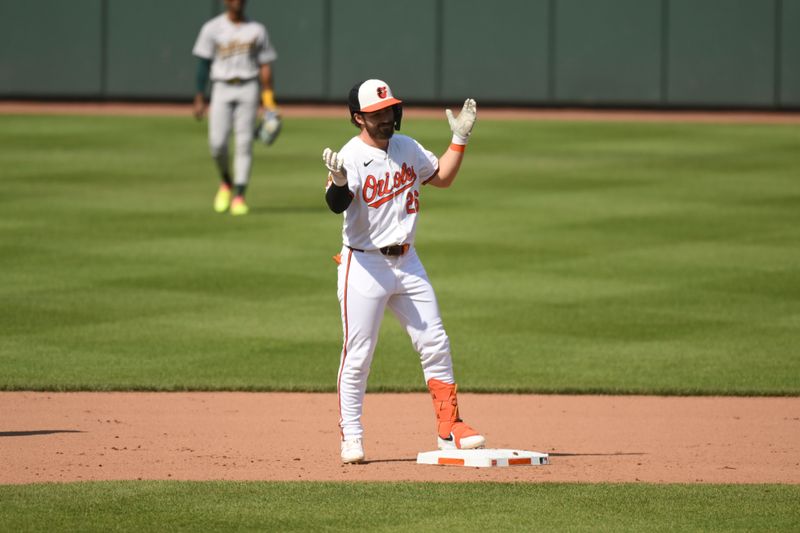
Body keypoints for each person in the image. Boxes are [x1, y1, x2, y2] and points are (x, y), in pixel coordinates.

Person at [322, 79, 484, 463]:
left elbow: (441, 176)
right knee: (358, 354)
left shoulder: (407, 146)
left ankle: (449, 427)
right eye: (377, 113)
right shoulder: (350, 156)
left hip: (408, 263)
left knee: (436, 343)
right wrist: (341, 181)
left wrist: (458, 140)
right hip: (364, 265)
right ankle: (352, 435)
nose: (387, 117)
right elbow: (336, 202)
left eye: (390, 109)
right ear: (358, 118)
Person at [192, 0, 278, 216]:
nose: (237, 2)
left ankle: (239, 195)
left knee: (244, 143)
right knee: (217, 144)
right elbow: (203, 64)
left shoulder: (257, 30)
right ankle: (226, 182)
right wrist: (200, 95)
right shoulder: (211, 28)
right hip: (221, 86)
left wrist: (268, 101)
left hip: (248, 87)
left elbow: (265, 66)